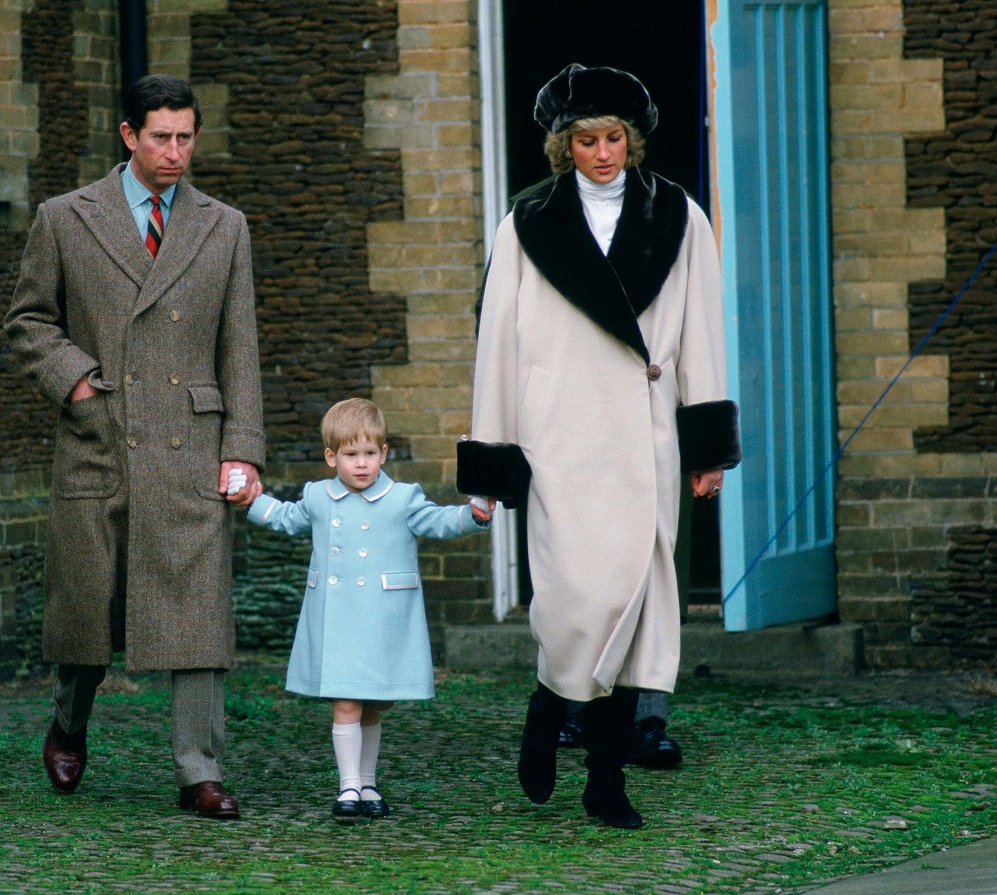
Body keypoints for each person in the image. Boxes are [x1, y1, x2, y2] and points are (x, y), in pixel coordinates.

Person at [469, 64, 740, 827]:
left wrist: (705, 446)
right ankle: (547, 702)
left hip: (645, 436)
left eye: (614, 137)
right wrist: (492, 459)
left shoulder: (680, 217)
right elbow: (497, 346)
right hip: (562, 437)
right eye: (586, 139)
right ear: (564, 145)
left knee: (641, 608)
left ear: (634, 139)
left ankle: (605, 779)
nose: (602, 152)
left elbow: (701, 338)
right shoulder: (525, 223)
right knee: (573, 600)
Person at [4, 74, 265, 819]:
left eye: (187, 137)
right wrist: (79, 383)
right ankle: (69, 721)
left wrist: (242, 447)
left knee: (197, 614)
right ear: (129, 136)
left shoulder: (225, 226)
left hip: (192, 444)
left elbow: (238, 346)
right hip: (101, 438)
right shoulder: (65, 217)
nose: (176, 152)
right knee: (89, 612)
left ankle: (198, 769)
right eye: (161, 137)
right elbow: (27, 323)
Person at [241, 398, 493, 821]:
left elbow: (438, 521)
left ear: (384, 453)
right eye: (351, 455)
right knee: (347, 704)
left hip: (384, 618)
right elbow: (287, 517)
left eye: (370, 454)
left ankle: (369, 782)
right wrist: (249, 502)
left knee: (374, 704)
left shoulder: (403, 497)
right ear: (331, 456)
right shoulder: (319, 496)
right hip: (338, 616)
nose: (362, 464)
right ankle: (348, 788)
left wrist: (474, 516)